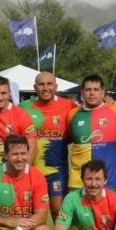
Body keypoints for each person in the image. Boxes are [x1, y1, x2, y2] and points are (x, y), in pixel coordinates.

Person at [20, 70, 77, 217]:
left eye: (49, 84)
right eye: (41, 84)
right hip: (30, 171)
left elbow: (90, 114)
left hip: (57, 171)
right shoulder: (23, 107)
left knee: (59, 213)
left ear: (56, 87)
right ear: (34, 87)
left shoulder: (69, 106)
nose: (46, 88)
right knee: (31, 214)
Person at [67, 74, 116, 191]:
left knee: (106, 210)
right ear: (82, 92)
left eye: (96, 89)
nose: (92, 93)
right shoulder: (72, 114)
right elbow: (70, 136)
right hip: (77, 181)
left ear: (103, 92)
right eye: (88, 89)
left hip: (108, 181)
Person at [0, 76, 37, 173]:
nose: (0, 98)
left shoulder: (21, 115)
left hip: (11, 169)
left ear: (10, 94)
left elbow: (32, 148)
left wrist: (22, 173)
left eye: (3, 93)